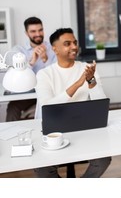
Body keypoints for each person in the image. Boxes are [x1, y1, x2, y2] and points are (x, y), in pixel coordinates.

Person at [33, 28, 111, 178]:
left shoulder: (87, 69)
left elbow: (101, 103)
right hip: (54, 132)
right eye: (67, 44)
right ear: (54, 49)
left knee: (103, 159)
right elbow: (47, 107)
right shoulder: (44, 74)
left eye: (75, 43)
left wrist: (91, 81)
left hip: (83, 130)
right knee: (41, 168)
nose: (74, 47)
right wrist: (77, 84)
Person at [6, 17, 56, 122]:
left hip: (49, 92)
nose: (38, 34)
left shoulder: (53, 49)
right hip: (27, 94)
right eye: (33, 31)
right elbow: (16, 77)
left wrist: (45, 59)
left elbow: (56, 74)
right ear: (26, 33)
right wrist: (32, 62)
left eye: (40, 30)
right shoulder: (18, 51)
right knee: (12, 107)